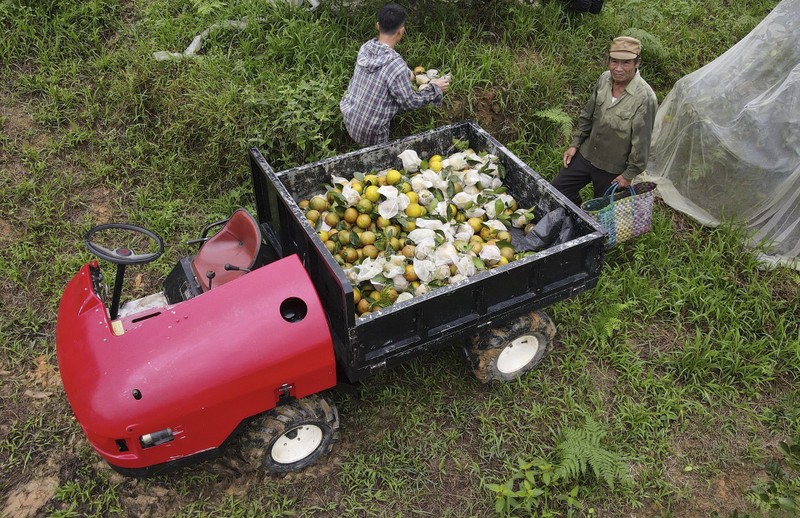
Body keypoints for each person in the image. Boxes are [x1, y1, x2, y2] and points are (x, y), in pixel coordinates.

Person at [551, 36, 658, 206]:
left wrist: (628, 175)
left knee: (603, 212)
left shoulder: (645, 98)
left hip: (612, 168)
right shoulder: (604, 79)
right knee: (558, 190)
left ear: (637, 63)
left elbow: (641, 143)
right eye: (614, 62)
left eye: (626, 63)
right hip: (587, 154)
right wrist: (575, 144)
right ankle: (576, 213)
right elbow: (587, 114)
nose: (618, 69)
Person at [340, 3, 450, 147]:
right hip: (372, 134)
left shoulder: (366, 48)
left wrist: (407, 74)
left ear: (378, 26)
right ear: (401, 31)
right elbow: (410, 103)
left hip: (350, 118)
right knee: (379, 163)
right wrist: (435, 88)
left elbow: (387, 70)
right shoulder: (395, 65)